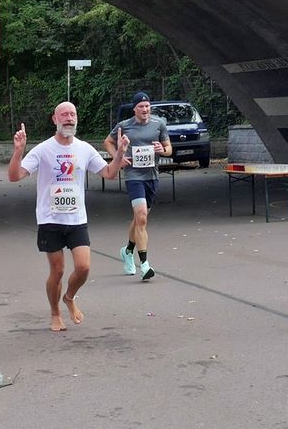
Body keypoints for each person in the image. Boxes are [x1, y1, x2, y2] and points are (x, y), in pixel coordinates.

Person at [9, 102, 129, 331]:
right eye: (64, 114)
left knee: (83, 268)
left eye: (72, 114)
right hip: (50, 219)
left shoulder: (84, 149)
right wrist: (18, 150)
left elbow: (109, 173)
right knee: (58, 271)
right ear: (55, 119)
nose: (69, 118)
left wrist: (120, 154)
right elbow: (14, 176)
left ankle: (69, 297)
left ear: (77, 119)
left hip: (76, 219)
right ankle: (55, 313)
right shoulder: (43, 149)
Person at [104, 91, 171, 281]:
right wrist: (118, 157)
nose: (145, 109)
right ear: (134, 109)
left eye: (147, 106)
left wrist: (163, 150)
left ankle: (127, 250)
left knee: (139, 219)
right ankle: (145, 265)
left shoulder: (159, 124)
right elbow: (108, 142)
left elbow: (169, 148)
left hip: (152, 176)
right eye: (141, 106)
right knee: (141, 217)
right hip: (134, 176)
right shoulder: (124, 125)